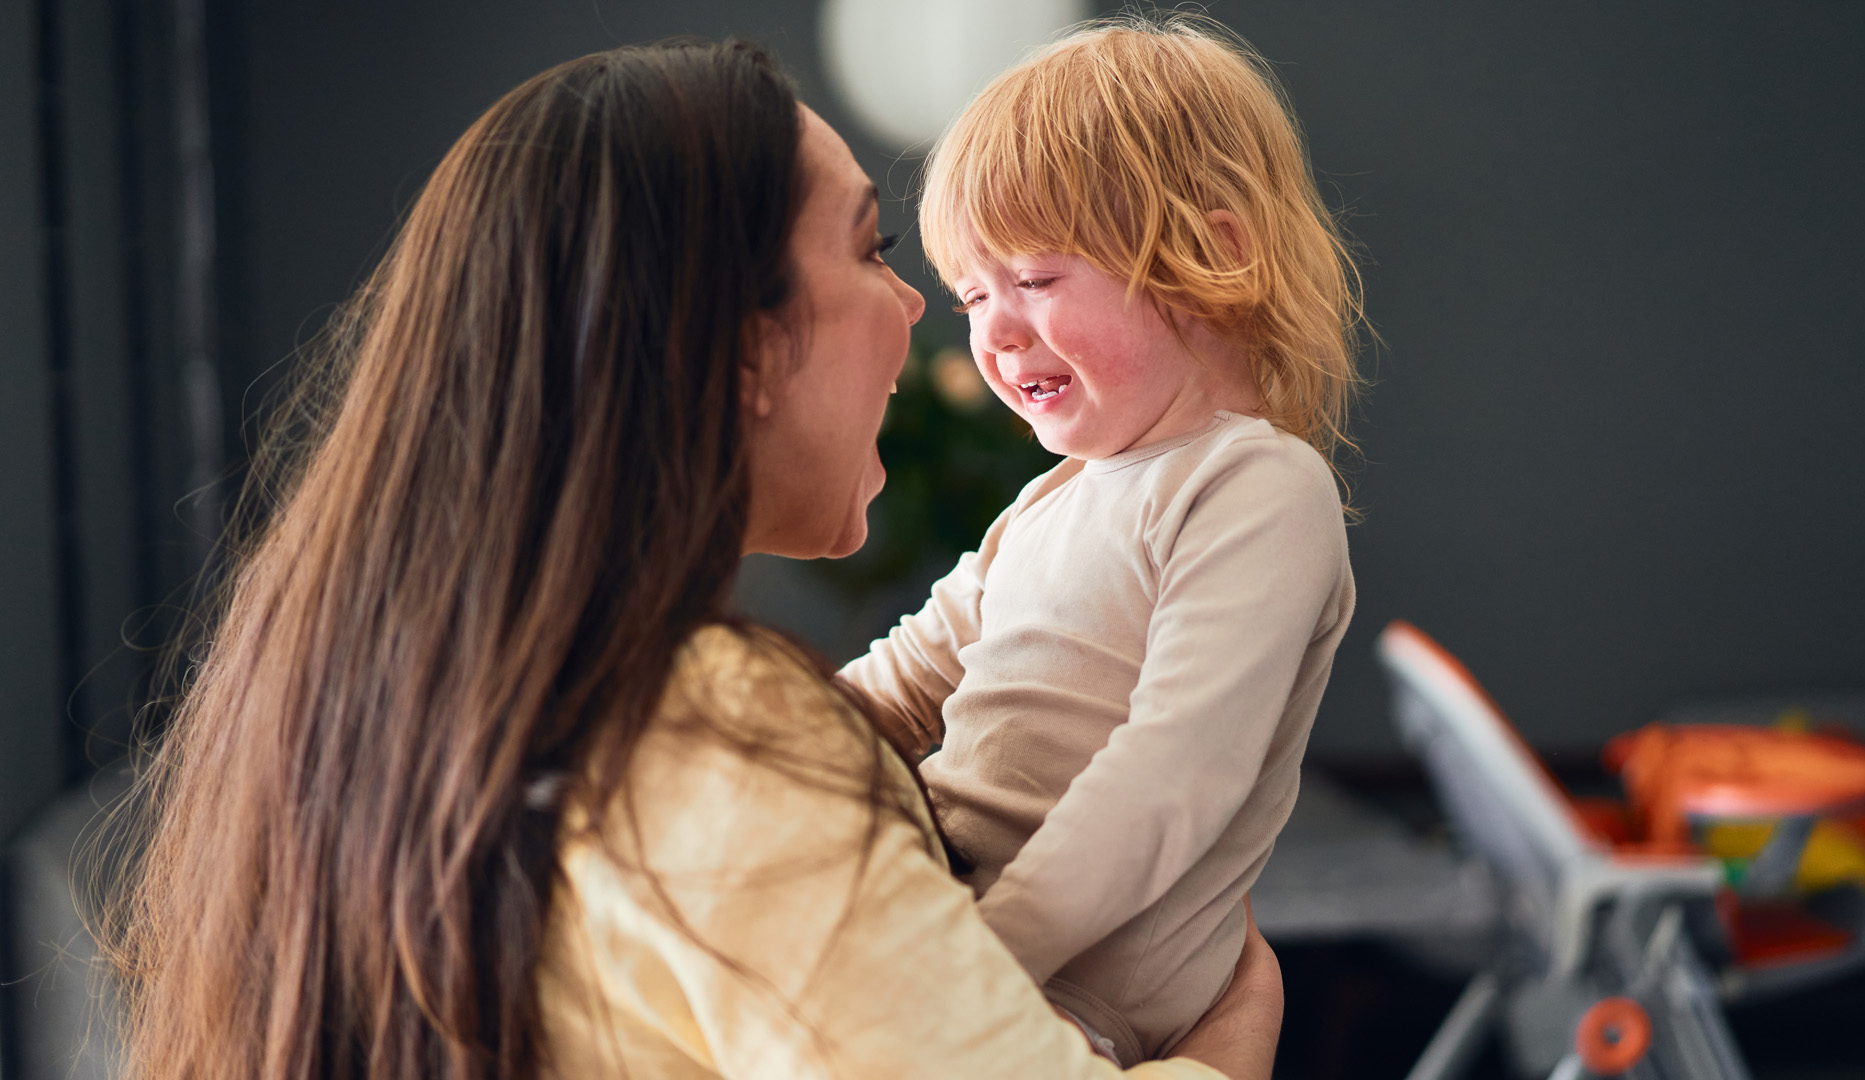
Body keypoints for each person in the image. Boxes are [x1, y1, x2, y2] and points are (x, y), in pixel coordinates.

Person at [102, 39, 1282, 1079]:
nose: (922, 311)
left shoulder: (449, 698)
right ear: (746, 351)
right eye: (874, 250)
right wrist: (1231, 1047)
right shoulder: (706, 739)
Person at [841, 15, 1363, 1067]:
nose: (991, 332)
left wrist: (979, 955)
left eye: (1034, 280)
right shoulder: (1051, 502)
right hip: (952, 917)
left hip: (1065, 991)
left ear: (1213, 257)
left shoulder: (1256, 486)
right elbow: (897, 687)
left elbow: (1171, 778)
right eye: (973, 295)